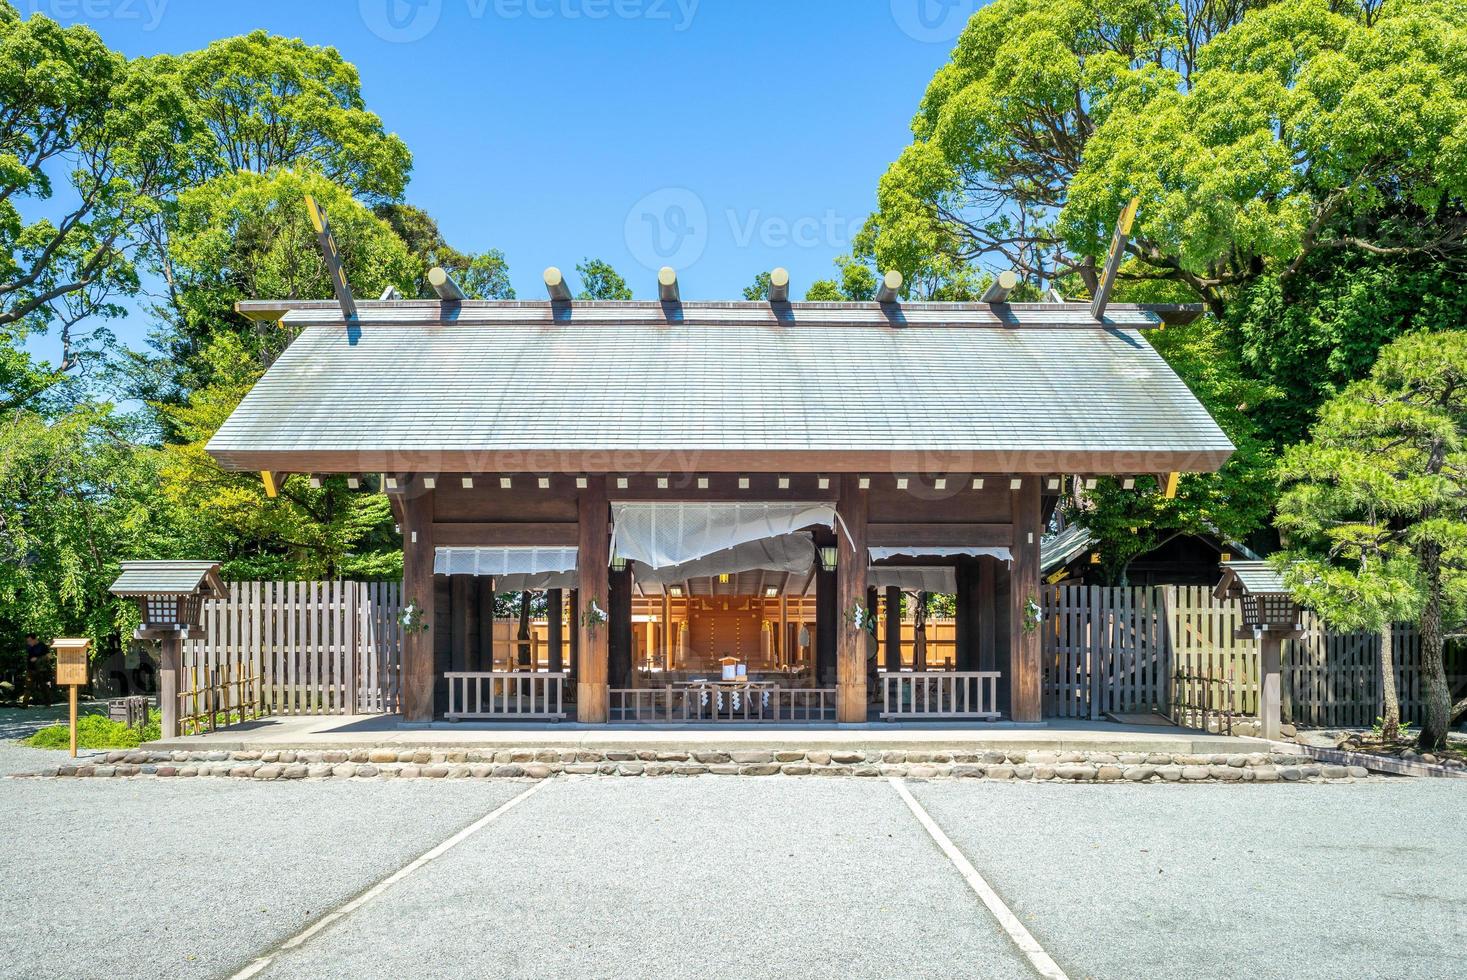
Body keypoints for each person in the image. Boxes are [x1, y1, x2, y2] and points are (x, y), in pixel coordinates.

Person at [23, 634, 50, 705]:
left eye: (30, 641)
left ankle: (48, 703)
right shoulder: (29, 646)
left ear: (35, 639)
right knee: (28, 687)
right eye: (27, 641)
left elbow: (49, 656)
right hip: (30, 669)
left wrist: (37, 659)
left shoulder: (42, 646)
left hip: (41, 670)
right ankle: (24, 704)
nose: (28, 642)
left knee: (43, 687)